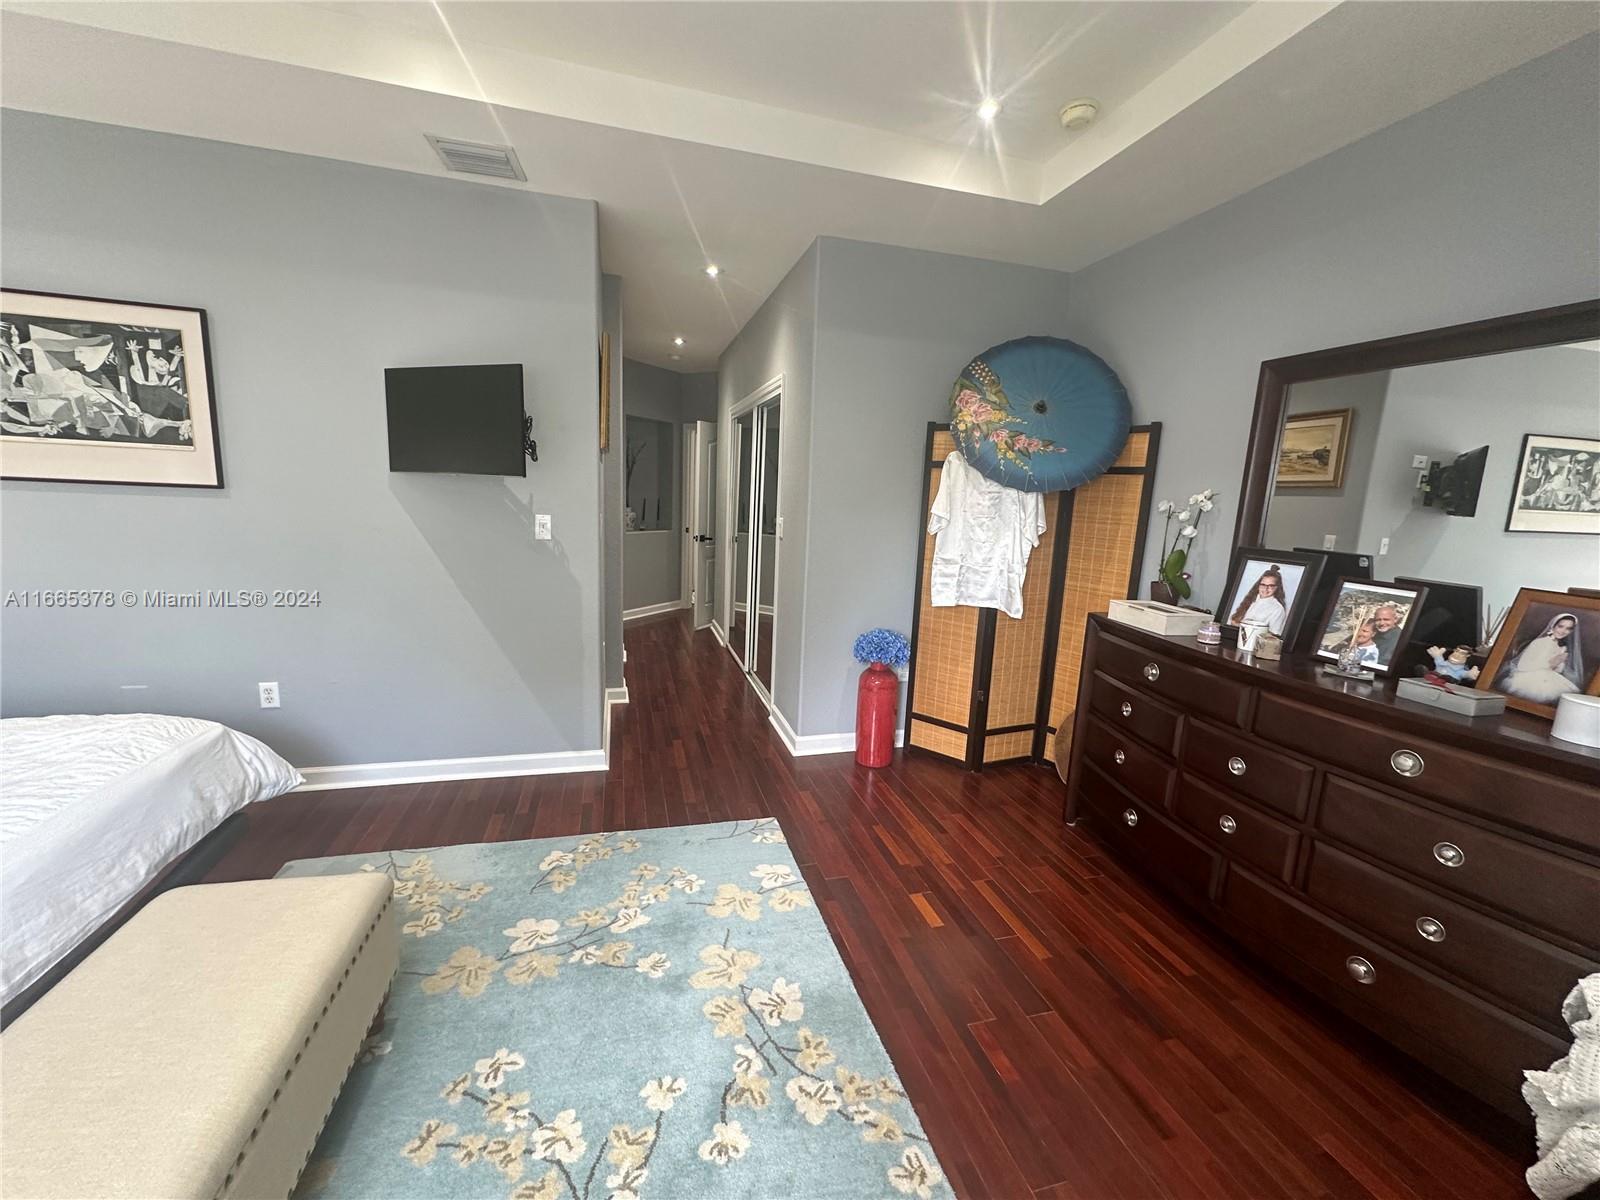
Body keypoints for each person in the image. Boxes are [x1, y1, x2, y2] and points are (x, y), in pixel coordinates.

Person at [1498, 613, 1587, 705]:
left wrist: (1559, 663)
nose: (1563, 631)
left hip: (1550, 677)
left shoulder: (1562, 647)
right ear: (1553, 626)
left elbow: (1557, 670)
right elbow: (1522, 666)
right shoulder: (1539, 642)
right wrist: (1550, 664)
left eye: (1568, 629)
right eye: (1560, 626)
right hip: (1528, 677)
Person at [1230, 567, 1289, 636]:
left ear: (1277, 587)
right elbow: (1234, 621)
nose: (1266, 588)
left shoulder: (1278, 609)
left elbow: (1273, 636)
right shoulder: (1250, 599)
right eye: (1263, 585)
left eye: (1271, 586)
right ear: (1259, 585)